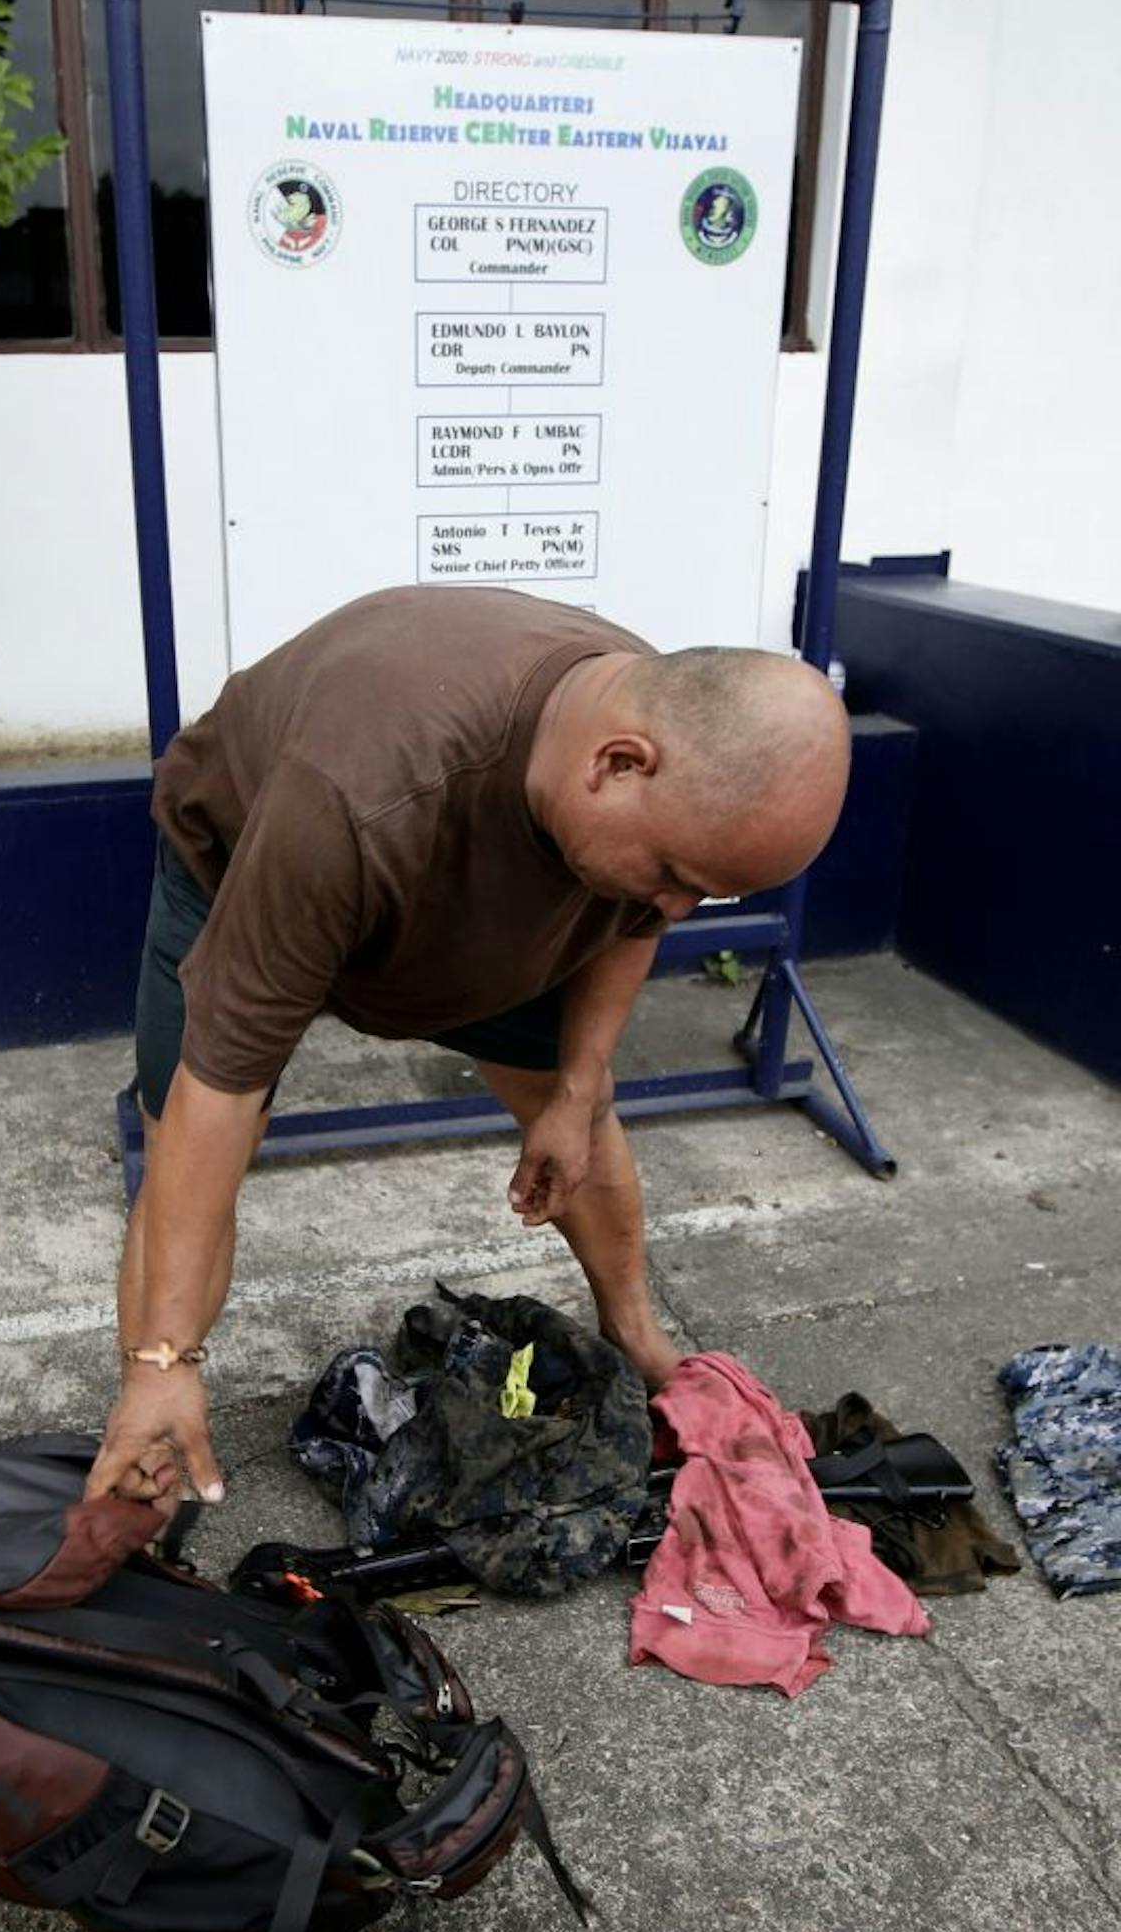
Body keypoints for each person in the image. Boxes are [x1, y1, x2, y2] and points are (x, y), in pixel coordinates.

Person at [85, 585, 851, 1508]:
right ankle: (156, 1412)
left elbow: (637, 913)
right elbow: (219, 1093)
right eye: (678, 876)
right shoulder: (355, 792)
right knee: (195, 1145)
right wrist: (163, 1353)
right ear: (616, 764)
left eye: (705, 895)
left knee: (582, 1108)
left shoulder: (653, 740)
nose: (679, 909)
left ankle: (636, 1329)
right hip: (248, 866)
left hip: (475, 889)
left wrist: (574, 1086)